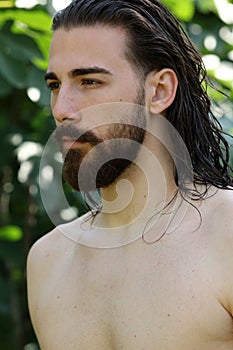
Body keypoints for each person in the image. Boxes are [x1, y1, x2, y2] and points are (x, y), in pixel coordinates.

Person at [27, 0, 233, 349]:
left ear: (159, 91)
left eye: (89, 81)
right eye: (54, 86)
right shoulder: (48, 260)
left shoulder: (226, 235)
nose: (62, 110)